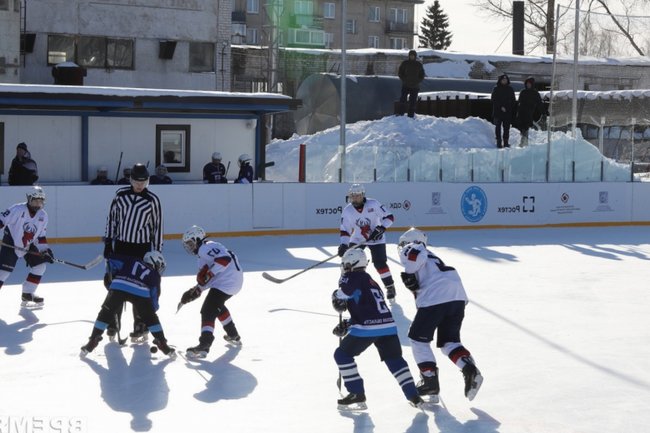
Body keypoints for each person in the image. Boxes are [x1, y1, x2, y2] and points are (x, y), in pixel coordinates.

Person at [397, 227, 483, 402]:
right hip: (457, 297)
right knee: (449, 343)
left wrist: (408, 273)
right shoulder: (432, 257)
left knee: (417, 339)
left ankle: (430, 381)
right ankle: (470, 370)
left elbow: (414, 254)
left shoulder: (414, 247)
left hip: (436, 297)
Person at [331, 248, 423, 410]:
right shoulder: (371, 281)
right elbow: (368, 308)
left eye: (345, 264)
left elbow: (342, 295)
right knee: (395, 361)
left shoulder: (351, 277)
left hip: (368, 327)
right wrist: (349, 323)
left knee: (342, 355)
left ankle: (356, 393)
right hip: (388, 326)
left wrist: (336, 296)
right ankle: (413, 395)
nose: (344, 267)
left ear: (351, 263)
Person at [104, 163, 163, 343]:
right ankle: (113, 320)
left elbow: (158, 227)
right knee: (115, 285)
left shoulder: (153, 200)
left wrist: (157, 251)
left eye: (143, 181)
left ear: (148, 181)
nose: (139, 185)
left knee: (141, 288)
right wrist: (108, 242)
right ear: (130, 180)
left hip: (142, 250)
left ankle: (140, 323)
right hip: (121, 248)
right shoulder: (120, 195)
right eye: (136, 181)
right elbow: (112, 219)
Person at [80, 251, 176, 358]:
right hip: (140, 291)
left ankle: (93, 340)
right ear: (155, 262)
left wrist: (110, 273)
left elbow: (113, 260)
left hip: (119, 285)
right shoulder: (155, 275)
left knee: (105, 314)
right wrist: (150, 312)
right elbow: (154, 296)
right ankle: (163, 343)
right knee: (152, 318)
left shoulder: (131, 259)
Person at [178, 225, 243, 359]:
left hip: (227, 281)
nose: (190, 247)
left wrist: (209, 274)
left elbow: (225, 260)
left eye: (190, 243)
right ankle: (233, 335)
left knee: (208, 309)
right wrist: (196, 290)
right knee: (217, 306)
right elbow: (207, 279)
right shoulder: (202, 255)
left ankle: (205, 344)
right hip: (230, 281)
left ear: (198, 239)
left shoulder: (206, 247)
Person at [338, 183, 397, 300]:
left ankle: (390, 286)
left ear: (363, 195)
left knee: (379, 263)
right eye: (353, 196)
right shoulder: (348, 210)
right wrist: (344, 244)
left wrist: (381, 228)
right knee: (349, 262)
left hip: (376, 238)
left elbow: (390, 217)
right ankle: (346, 287)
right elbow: (345, 230)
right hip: (358, 239)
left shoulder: (373, 204)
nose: (355, 198)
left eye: (358, 195)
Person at [0, 186, 54, 308]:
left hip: (28, 245)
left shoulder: (43, 215)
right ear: (29, 199)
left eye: (41, 201)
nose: (38, 204)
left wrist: (45, 250)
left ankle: (28, 293)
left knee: (40, 266)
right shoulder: (17, 209)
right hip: (12, 243)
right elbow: (2, 219)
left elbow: (41, 236)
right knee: (3, 273)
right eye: (35, 200)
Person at [516, 76, 545, 147]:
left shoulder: (535, 93)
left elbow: (539, 104)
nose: (528, 85)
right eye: (527, 83)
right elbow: (519, 102)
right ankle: (523, 141)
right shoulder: (523, 92)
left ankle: (524, 142)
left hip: (529, 113)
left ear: (532, 84)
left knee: (525, 128)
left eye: (529, 84)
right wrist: (517, 111)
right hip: (521, 113)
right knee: (521, 127)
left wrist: (544, 112)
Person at [491, 74, 517, 148]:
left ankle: (506, 142)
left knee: (506, 128)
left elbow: (513, 100)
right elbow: (493, 99)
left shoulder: (510, 89)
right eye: (503, 80)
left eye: (506, 80)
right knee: (498, 127)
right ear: (500, 80)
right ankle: (499, 142)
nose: (504, 81)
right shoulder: (496, 88)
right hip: (498, 112)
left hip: (507, 112)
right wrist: (500, 107)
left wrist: (508, 107)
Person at [397, 50, 425, 118]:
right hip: (406, 85)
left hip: (415, 87)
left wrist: (417, 81)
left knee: (413, 101)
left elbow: (422, 75)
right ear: (409, 56)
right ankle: (401, 114)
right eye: (410, 55)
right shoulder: (405, 63)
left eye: (413, 55)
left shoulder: (418, 64)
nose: (412, 56)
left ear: (415, 56)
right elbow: (400, 73)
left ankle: (411, 115)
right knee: (403, 99)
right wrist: (404, 80)